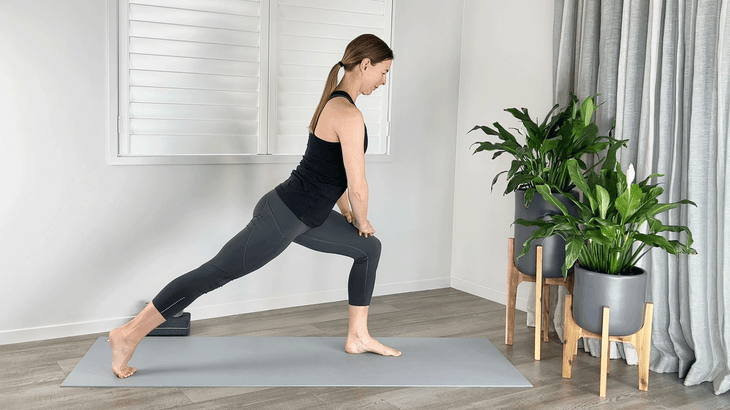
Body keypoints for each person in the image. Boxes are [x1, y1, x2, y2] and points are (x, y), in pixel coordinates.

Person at [109, 34, 399, 379]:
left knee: (369, 249)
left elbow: (329, 170)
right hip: (283, 215)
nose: (383, 81)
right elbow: (358, 186)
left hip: (309, 217)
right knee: (214, 273)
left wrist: (347, 213)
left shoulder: (338, 107)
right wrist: (362, 217)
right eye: (383, 72)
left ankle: (357, 336)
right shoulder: (347, 114)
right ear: (365, 65)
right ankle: (128, 334)